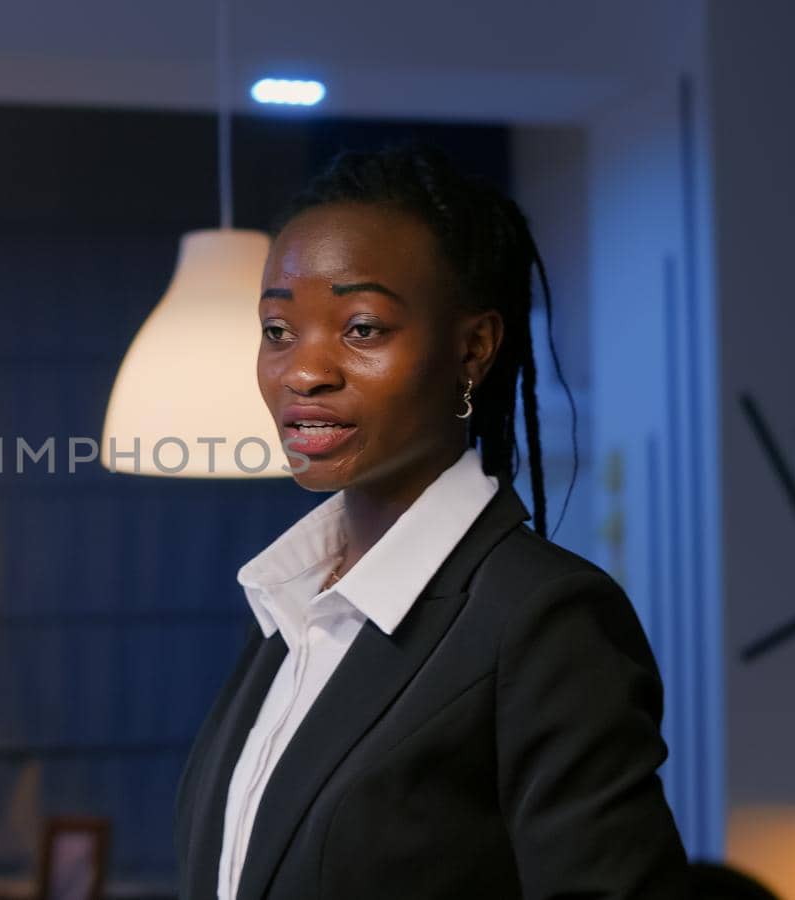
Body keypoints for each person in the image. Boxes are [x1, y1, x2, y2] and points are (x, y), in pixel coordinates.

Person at [173, 142, 691, 899]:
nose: (304, 371)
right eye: (278, 331)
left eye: (362, 328)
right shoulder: (291, 609)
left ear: (472, 349)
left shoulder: (543, 621)